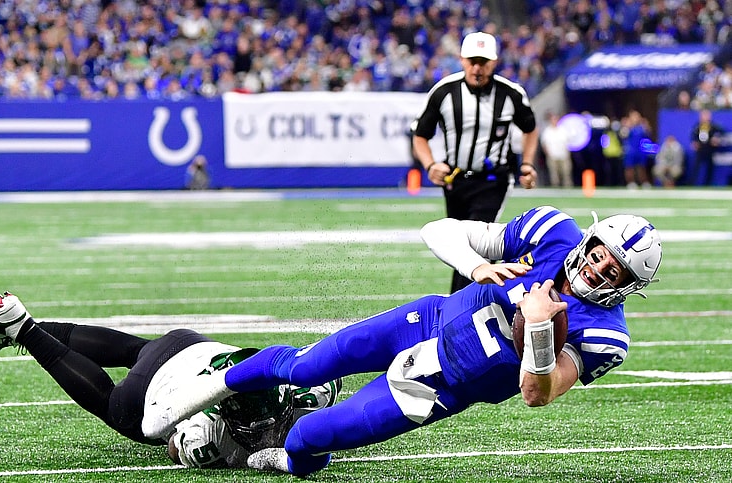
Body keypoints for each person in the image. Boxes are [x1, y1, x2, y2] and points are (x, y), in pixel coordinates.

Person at [152, 205, 662, 477]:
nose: (598, 269)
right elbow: (437, 229)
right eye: (599, 253)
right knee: (304, 366)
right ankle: (213, 387)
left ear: (627, 287)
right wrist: (478, 266)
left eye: (614, 271)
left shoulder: (605, 335)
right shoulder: (553, 232)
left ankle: (290, 461)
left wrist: (539, 335)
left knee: (308, 438)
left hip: (436, 388)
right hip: (425, 320)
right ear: (589, 241)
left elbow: (537, 392)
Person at [0, 294, 341, 469]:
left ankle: (15, 327)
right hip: (158, 393)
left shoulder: (304, 390)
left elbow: (330, 378)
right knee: (115, 408)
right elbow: (174, 445)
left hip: (187, 343)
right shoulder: (208, 429)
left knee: (133, 351)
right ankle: (23, 329)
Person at [411, 31, 540, 294]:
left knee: (478, 242)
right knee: (457, 243)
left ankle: (459, 308)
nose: (477, 68)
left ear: (494, 63)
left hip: (493, 180)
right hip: (455, 180)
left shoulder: (511, 94)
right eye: (472, 61)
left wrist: (526, 164)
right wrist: (430, 165)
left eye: (483, 62)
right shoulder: (444, 92)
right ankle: (471, 305)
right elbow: (420, 135)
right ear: (461, 60)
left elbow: (530, 128)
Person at [690, 109, 724, 186]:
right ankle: (692, 183)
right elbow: (693, 135)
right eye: (704, 115)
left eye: (707, 115)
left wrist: (716, 138)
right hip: (700, 149)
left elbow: (721, 132)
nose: (705, 117)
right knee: (696, 167)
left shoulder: (713, 126)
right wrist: (694, 142)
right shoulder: (698, 126)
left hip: (709, 149)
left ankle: (707, 183)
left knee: (710, 167)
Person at [540, 111, 574, 188]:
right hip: (552, 155)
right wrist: (548, 153)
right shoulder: (547, 131)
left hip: (563, 155)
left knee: (566, 172)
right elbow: (544, 143)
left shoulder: (563, 130)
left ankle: (567, 186)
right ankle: (555, 187)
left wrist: (567, 152)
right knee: (554, 174)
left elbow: (568, 141)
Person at [620, 110, 652, 189]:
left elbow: (648, 135)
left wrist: (646, 126)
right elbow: (622, 136)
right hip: (630, 151)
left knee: (641, 168)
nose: (636, 118)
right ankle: (631, 182)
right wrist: (626, 127)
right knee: (629, 168)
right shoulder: (627, 127)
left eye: (637, 116)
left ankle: (644, 182)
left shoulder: (641, 127)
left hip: (640, 151)